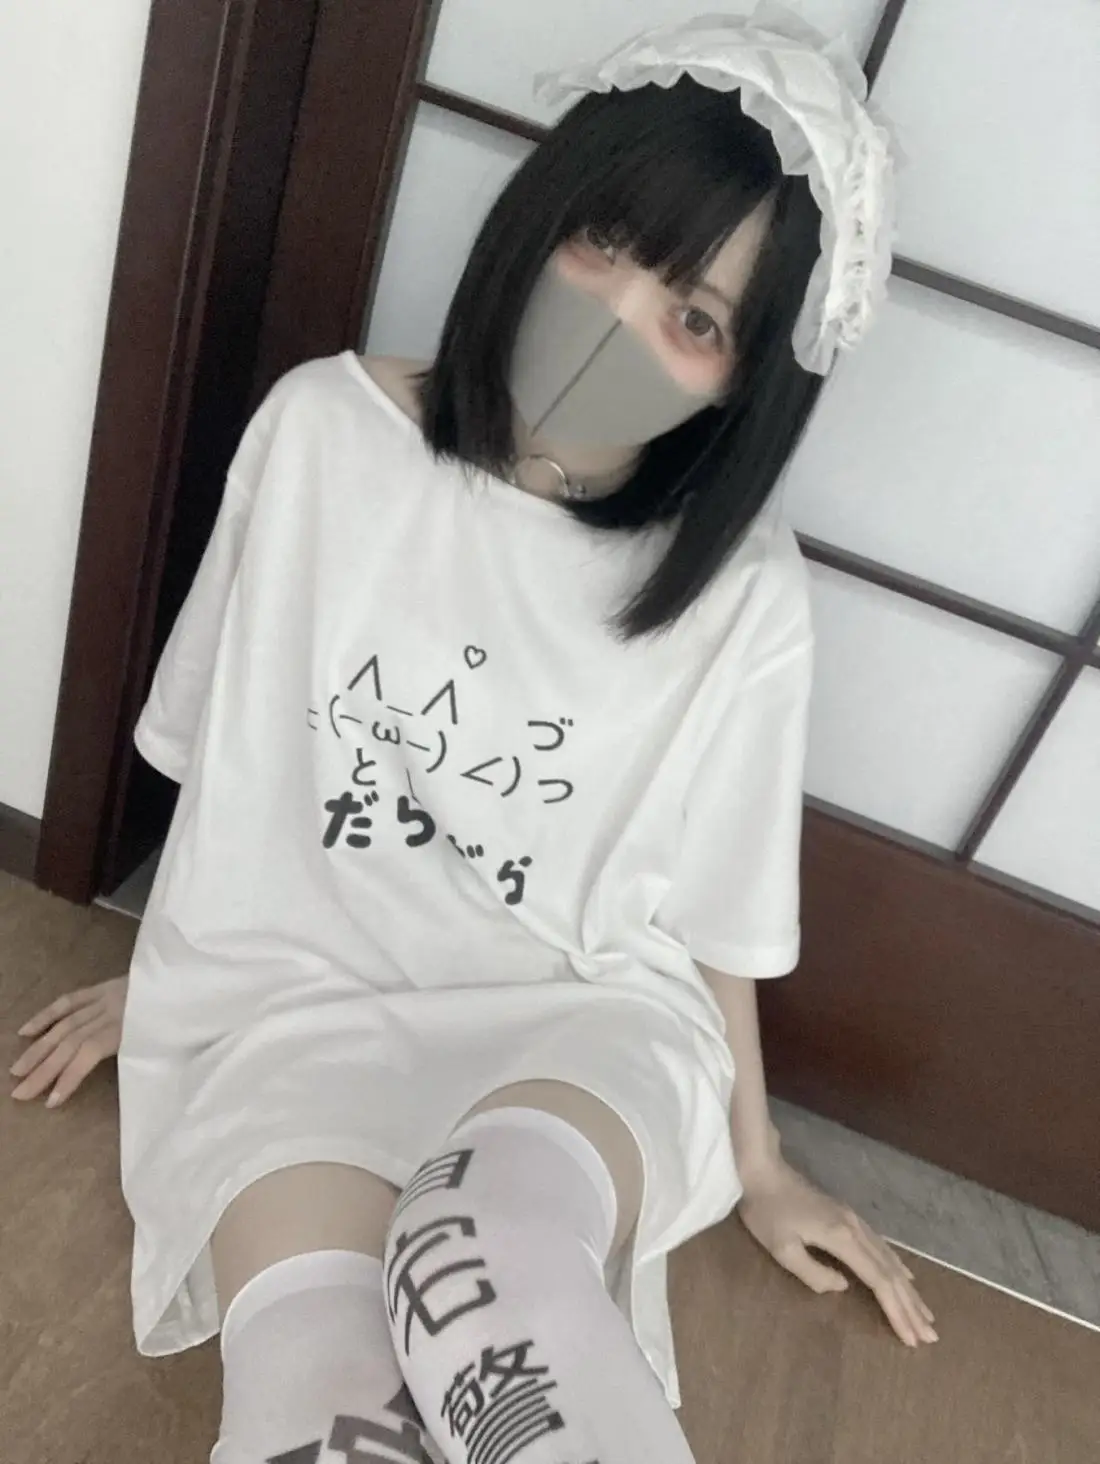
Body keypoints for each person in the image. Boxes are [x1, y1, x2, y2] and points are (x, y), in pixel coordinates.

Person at [10, 11, 934, 1463]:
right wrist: (174, 978)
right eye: (607, 243)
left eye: (696, 320)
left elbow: (718, 910)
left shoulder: (743, 592)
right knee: (328, 1396)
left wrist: (756, 1161)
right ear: (542, 209)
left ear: (744, 384)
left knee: (482, 1254)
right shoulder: (322, 434)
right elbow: (231, 755)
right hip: (289, 1011)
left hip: (576, 1019)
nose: (619, 320)